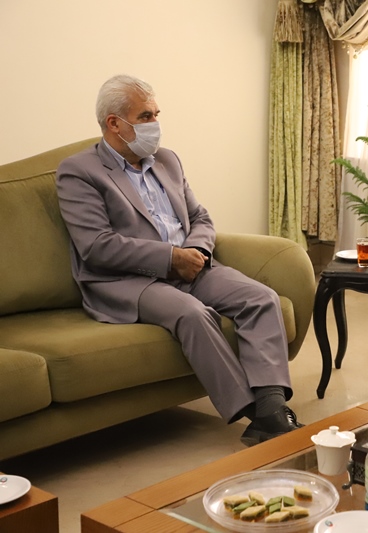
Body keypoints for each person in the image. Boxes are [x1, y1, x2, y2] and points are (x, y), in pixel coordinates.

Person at [56, 74, 302, 446]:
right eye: (145, 116)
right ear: (114, 123)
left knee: (261, 298)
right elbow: (96, 246)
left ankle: (272, 405)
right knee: (193, 314)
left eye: (156, 114)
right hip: (128, 281)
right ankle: (257, 415)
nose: (155, 124)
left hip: (191, 265)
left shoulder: (167, 161)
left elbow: (200, 217)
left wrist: (197, 253)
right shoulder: (79, 171)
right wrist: (171, 258)